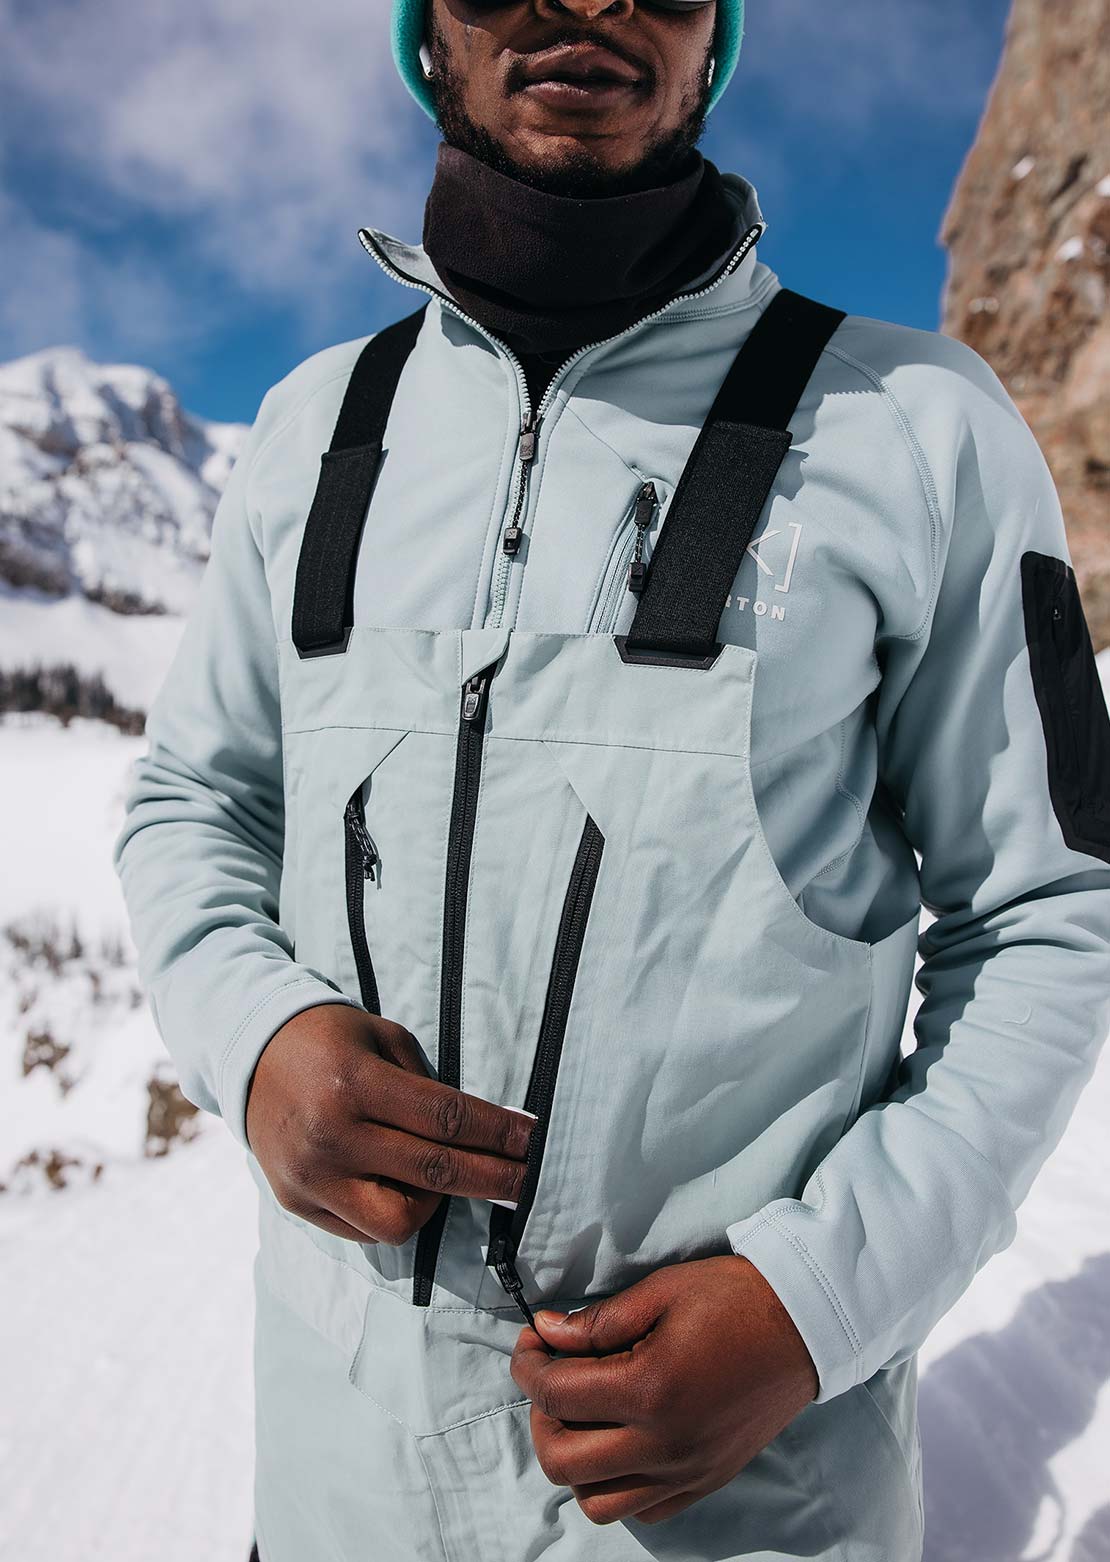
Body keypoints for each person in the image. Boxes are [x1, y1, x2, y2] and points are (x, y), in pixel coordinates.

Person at [112, 2, 1110, 1559]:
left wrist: (810, 1305)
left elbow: (1045, 911)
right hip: (340, 1486)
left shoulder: (917, 429)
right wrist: (255, 1043)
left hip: (753, 1504)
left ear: (715, 36)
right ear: (424, 28)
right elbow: (196, 802)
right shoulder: (316, 429)